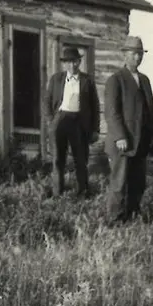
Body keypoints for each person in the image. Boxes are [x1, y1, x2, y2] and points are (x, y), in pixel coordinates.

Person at [103, 35, 153, 223]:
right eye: (134, 54)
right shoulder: (116, 80)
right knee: (119, 183)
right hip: (123, 143)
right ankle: (114, 221)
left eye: (140, 54)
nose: (137, 58)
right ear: (125, 55)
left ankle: (132, 216)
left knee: (138, 183)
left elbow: (150, 110)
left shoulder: (145, 80)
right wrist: (120, 136)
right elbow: (112, 112)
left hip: (140, 141)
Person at [46, 45, 100, 196]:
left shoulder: (87, 80)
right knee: (58, 159)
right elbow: (47, 101)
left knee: (81, 159)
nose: (72, 65)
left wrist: (95, 129)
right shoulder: (56, 79)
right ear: (64, 63)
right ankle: (57, 193)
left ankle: (83, 192)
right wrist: (51, 120)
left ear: (79, 62)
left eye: (75, 61)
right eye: (69, 62)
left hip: (79, 122)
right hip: (60, 120)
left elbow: (95, 106)